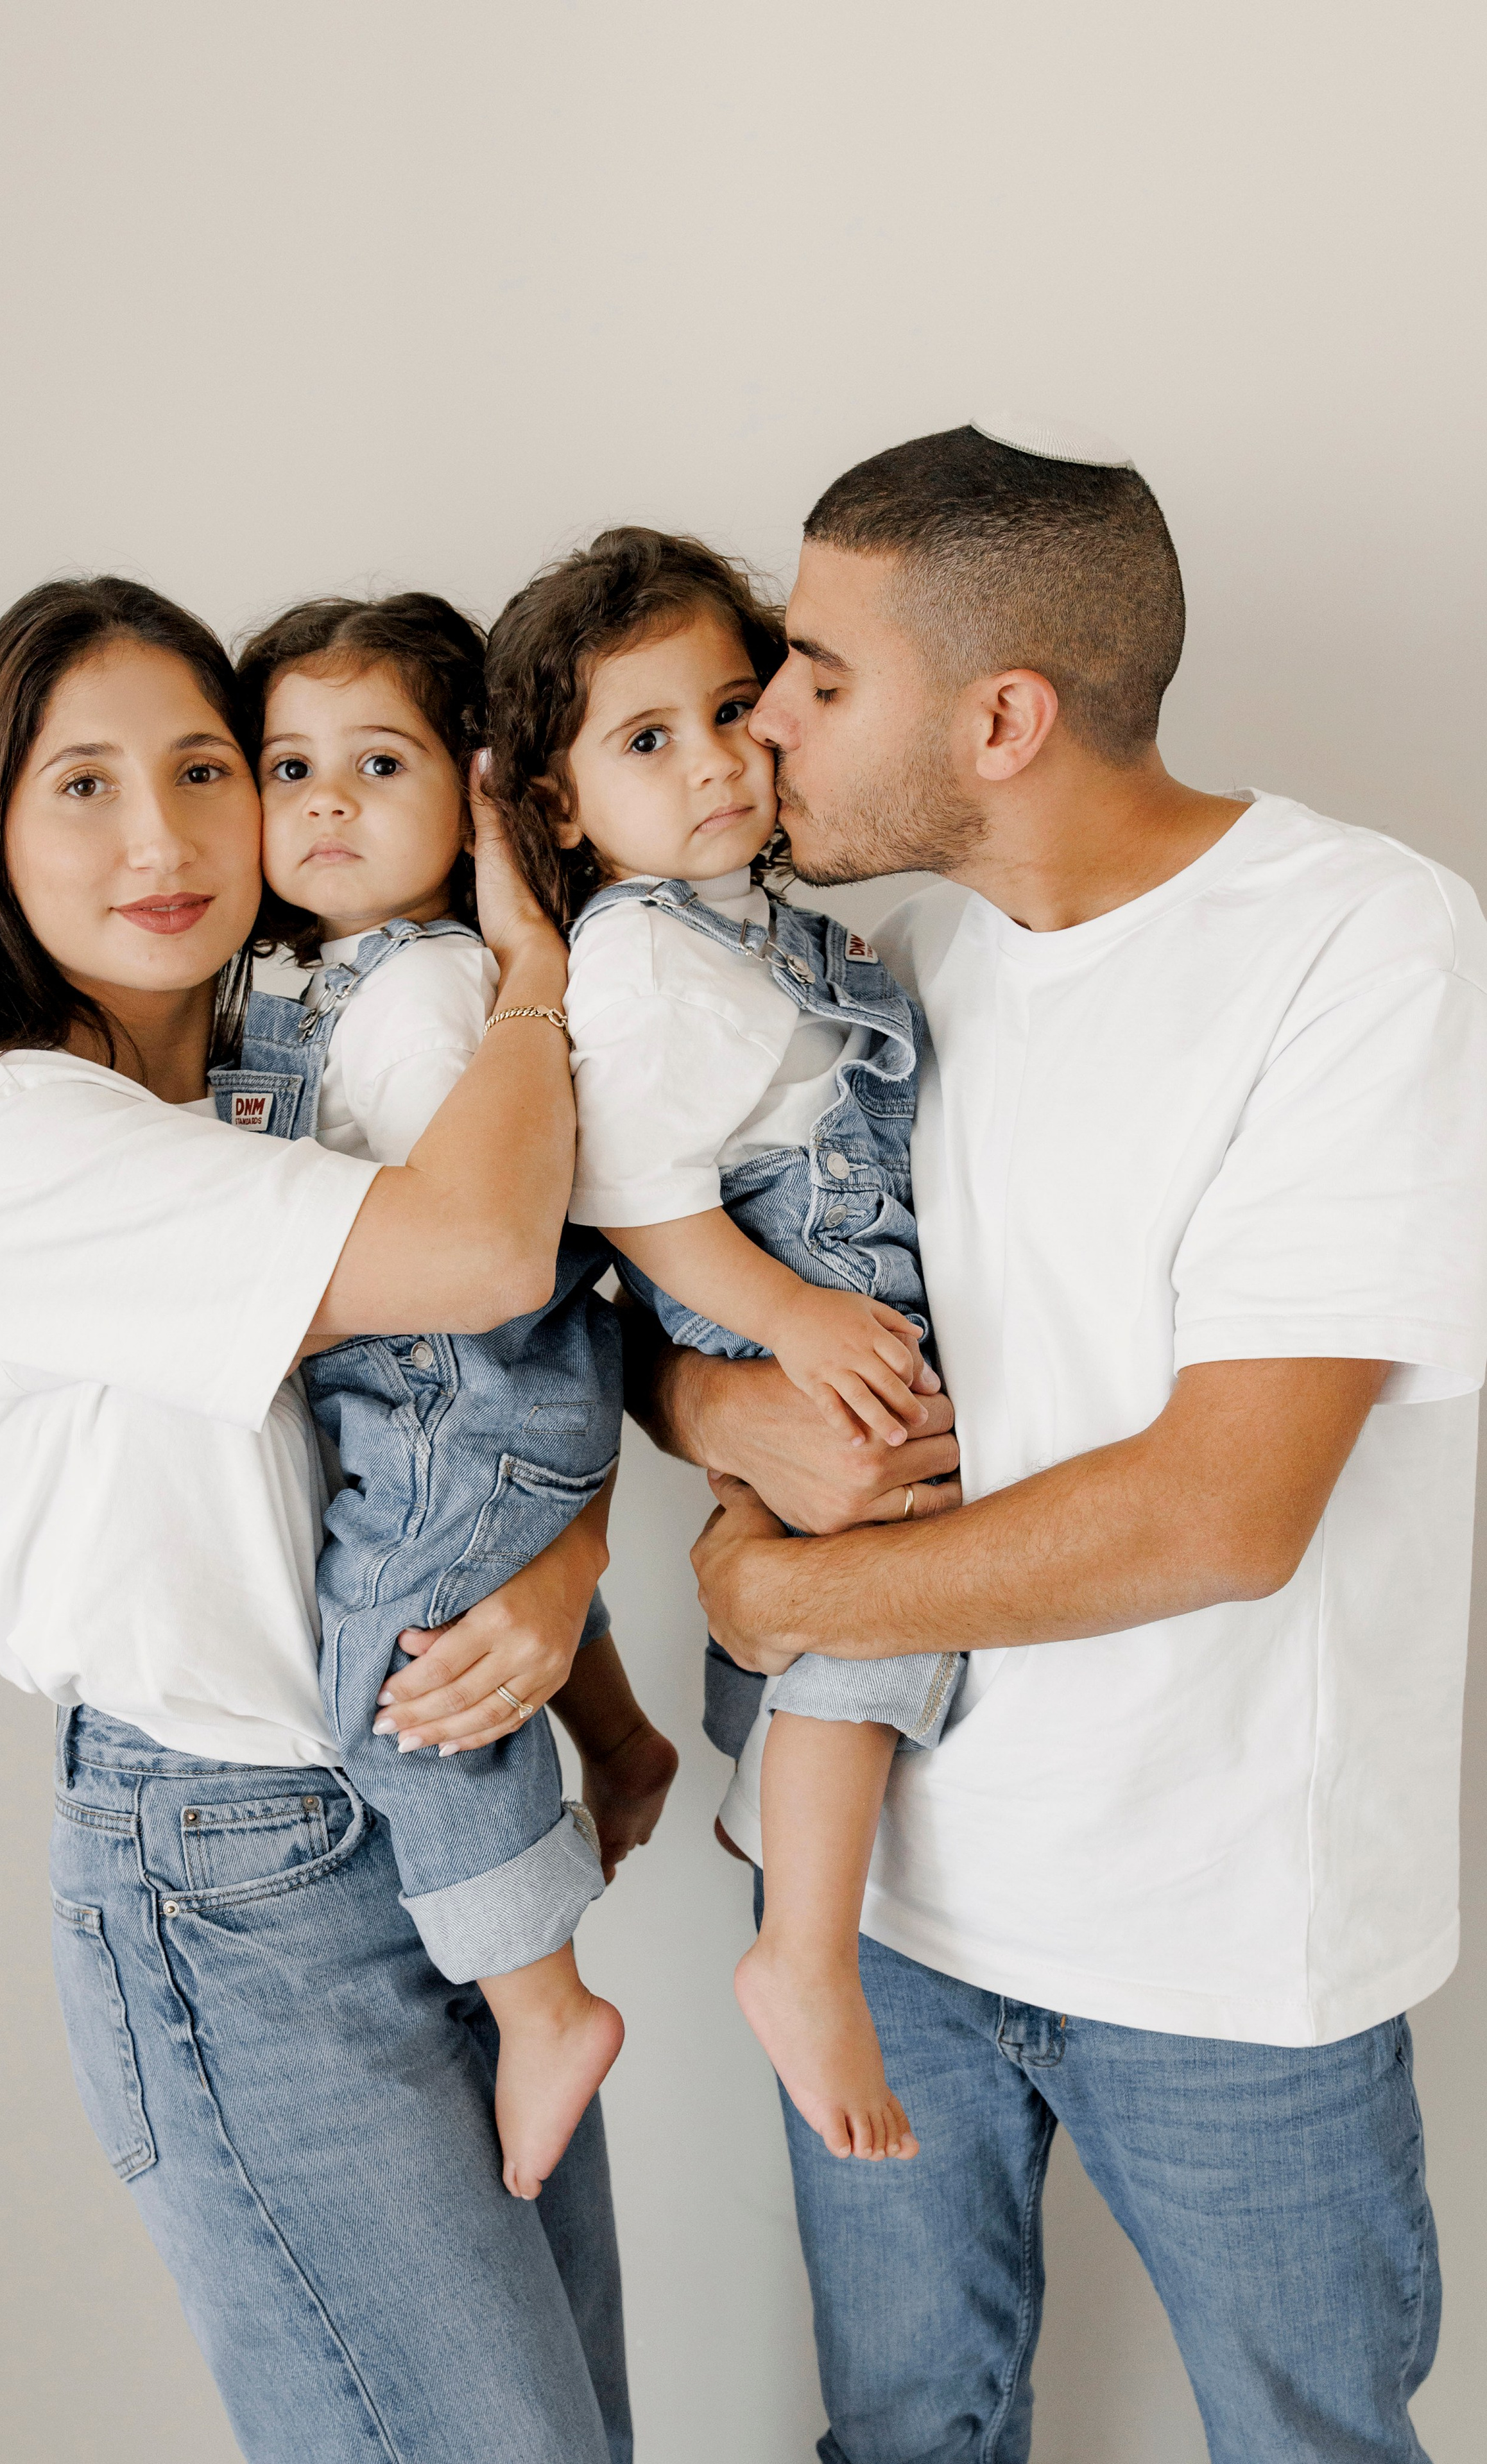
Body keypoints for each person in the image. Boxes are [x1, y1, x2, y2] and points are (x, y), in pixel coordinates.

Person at [637, 420, 1487, 2463]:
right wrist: (718, 1408)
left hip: (1228, 1944)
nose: (766, 720)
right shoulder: (887, 966)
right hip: (886, 1920)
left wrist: (781, 1586)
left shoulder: (1367, 948)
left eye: (825, 677)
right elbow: (675, 1321)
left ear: (1003, 715)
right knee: (904, 2441)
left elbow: (1224, 1511)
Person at [0, 576, 632, 2463]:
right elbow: (492, 1250)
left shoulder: (275, 1077)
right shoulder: (1, 1133)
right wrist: (531, 967)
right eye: (84, 788)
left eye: (206, 770)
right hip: (236, 1883)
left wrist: (574, 1562)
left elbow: (478, 1404)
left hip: (431, 1811)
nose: (163, 837)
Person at [486, 526, 961, 2166]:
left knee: (868, 1609)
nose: (711, 765)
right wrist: (791, 1319)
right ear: (556, 807)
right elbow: (636, 1204)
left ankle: (803, 1915)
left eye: (728, 710)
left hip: (817, 1307)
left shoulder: (744, 923)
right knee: (881, 1595)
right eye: (642, 742)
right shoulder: (640, 955)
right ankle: (801, 1954)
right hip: (787, 1296)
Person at [213, 588, 676, 2200]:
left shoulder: (418, 997)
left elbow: (479, 1233)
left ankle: (543, 2007)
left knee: (396, 1681)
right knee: (481, 1610)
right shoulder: (297, 976)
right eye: (286, 767)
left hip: (459, 1389)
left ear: (476, 799)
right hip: (452, 1409)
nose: (325, 802)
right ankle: (621, 1748)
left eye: (378, 764)